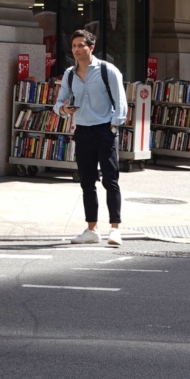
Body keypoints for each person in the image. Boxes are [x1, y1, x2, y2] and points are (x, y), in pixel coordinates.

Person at [54, 29, 128, 248]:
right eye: (74, 45)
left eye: (81, 45)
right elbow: (59, 103)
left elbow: (121, 103)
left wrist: (113, 127)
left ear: (91, 47)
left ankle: (115, 229)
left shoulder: (108, 70)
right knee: (87, 182)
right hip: (83, 132)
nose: (76, 50)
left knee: (110, 180)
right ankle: (92, 229)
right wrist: (65, 110)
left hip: (105, 130)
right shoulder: (69, 73)